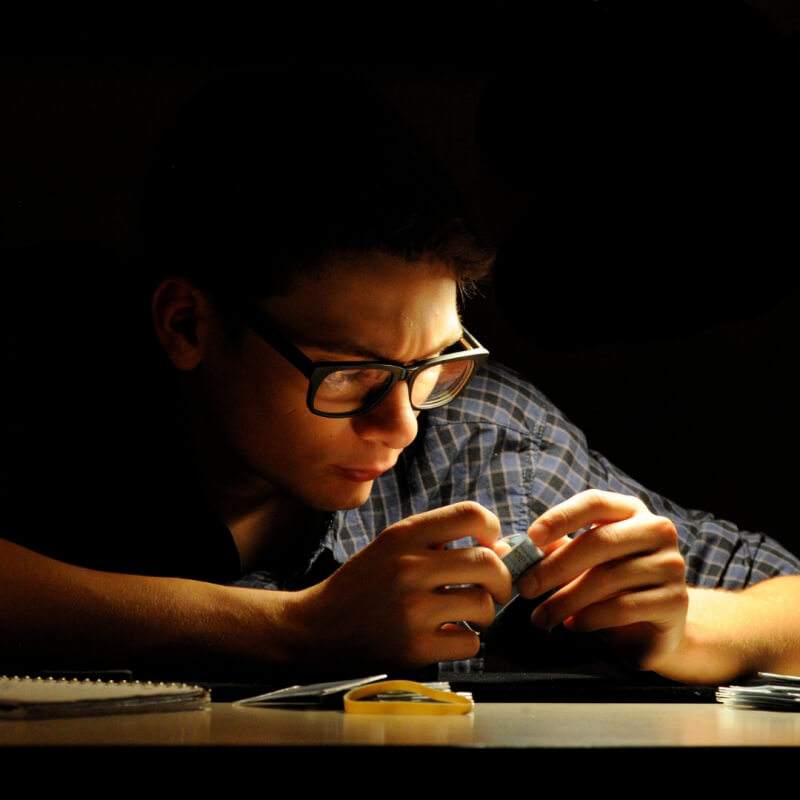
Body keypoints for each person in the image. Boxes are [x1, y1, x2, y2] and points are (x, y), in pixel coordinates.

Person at [2, 67, 799, 685]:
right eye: (350, 374)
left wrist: (682, 626)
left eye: (432, 363)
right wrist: (295, 629)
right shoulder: (56, 393)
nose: (403, 423)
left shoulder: (484, 440)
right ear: (187, 325)